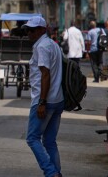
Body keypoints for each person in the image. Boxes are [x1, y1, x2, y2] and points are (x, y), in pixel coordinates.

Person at [22, 16, 64, 177]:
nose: (29, 33)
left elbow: (45, 75)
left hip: (45, 100)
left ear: (42, 30)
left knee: (32, 139)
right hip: (57, 99)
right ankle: (56, 173)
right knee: (49, 141)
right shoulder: (53, 45)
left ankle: (51, 172)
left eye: (32, 30)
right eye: (28, 30)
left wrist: (42, 102)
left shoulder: (42, 47)